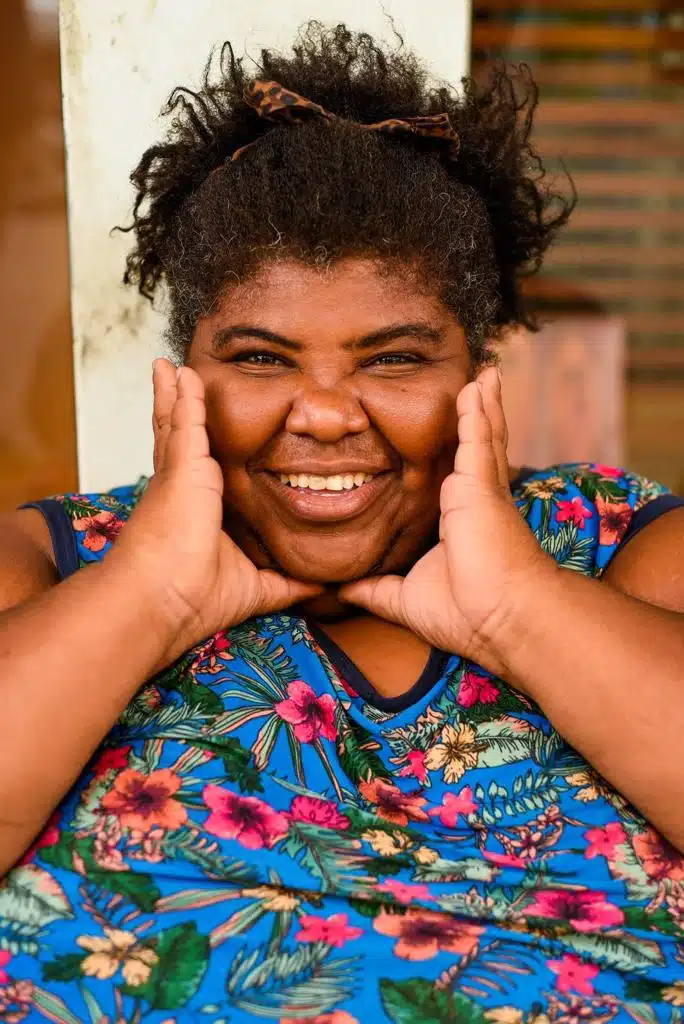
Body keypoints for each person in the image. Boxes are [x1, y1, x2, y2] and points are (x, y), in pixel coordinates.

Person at [1, 23, 683, 1023]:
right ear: (183, 375)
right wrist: (149, 596)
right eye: (262, 358)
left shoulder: (615, 543)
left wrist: (519, 608)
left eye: (395, 358)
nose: (325, 413)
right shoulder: (61, 563)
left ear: (477, 378)